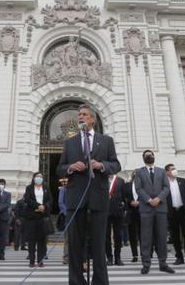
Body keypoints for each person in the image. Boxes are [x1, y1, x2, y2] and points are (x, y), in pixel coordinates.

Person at [57, 104, 121, 285]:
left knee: (99, 244)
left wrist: (102, 166)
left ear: (93, 119)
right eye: (79, 115)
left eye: (84, 115)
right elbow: (59, 169)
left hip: (99, 199)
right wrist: (70, 167)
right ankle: (77, 282)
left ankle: (100, 282)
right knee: (75, 246)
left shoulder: (106, 141)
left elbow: (116, 165)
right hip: (75, 200)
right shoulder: (70, 142)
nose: (80, 117)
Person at [134, 150, 175, 275]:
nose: (149, 157)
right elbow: (138, 188)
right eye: (147, 156)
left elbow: (166, 187)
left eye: (151, 155)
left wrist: (158, 198)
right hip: (146, 209)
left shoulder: (162, 171)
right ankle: (146, 264)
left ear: (154, 157)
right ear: (143, 158)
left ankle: (163, 263)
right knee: (146, 238)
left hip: (160, 208)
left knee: (162, 237)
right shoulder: (139, 172)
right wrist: (149, 200)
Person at [165, 164, 185, 267]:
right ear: (167, 172)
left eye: (175, 168)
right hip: (171, 212)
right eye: (172, 169)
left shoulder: (183, 181)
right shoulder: (164, 183)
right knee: (175, 236)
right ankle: (179, 257)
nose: (174, 170)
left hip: (183, 211)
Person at [23, 172, 52, 268]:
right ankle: (31, 260)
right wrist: (37, 205)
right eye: (37, 177)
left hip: (42, 217)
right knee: (31, 240)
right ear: (34, 178)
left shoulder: (46, 189)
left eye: (41, 177)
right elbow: (27, 199)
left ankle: (40, 260)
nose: (39, 178)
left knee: (42, 241)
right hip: (31, 217)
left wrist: (44, 207)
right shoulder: (29, 188)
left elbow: (50, 200)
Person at [105, 173, 125, 266]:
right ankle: (109, 257)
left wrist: (124, 209)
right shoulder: (102, 180)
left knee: (118, 236)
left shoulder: (120, 181)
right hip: (105, 212)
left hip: (118, 212)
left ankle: (118, 257)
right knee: (106, 236)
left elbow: (124, 196)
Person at [123, 170, 140, 263]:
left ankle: (145, 254)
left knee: (143, 234)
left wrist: (140, 202)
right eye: (135, 175)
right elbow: (124, 196)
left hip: (142, 211)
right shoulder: (127, 185)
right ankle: (135, 255)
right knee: (132, 235)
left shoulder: (144, 186)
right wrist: (130, 202)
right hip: (131, 211)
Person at [0, 178, 12, 261]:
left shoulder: (8, 194)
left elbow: (7, 204)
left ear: (4, 185)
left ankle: (1, 254)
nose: (0, 185)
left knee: (3, 237)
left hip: (4, 217)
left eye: (2, 184)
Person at [58, 179, 68, 264]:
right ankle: (66, 257)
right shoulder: (63, 189)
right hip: (67, 216)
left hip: (78, 215)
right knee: (67, 238)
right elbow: (61, 203)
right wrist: (67, 213)